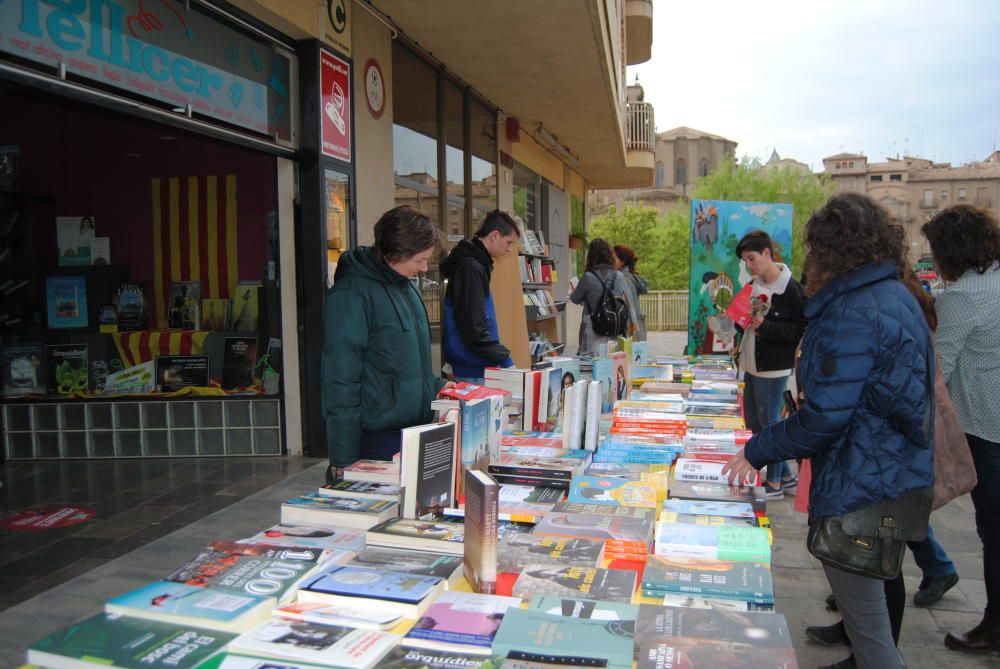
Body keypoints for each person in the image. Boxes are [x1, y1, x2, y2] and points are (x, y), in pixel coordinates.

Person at [724, 193, 935, 669]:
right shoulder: (892, 294)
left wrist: (759, 447)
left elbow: (827, 416)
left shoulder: (853, 310)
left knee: (870, 628)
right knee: (871, 619)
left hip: (863, 478)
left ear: (829, 249)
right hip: (885, 467)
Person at [322, 206, 449, 481]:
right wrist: (343, 459)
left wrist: (441, 387)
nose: (424, 268)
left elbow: (406, 364)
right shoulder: (351, 294)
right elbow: (340, 381)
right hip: (376, 439)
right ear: (395, 252)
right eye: (420, 260)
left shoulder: (407, 287)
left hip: (414, 432)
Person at [922, 204, 1000, 653]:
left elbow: (938, 373)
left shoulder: (963, 297)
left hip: (988, 430)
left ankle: (994, 623)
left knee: (993, 530)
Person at [733, 230, 806, 499]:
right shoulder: (754, 286)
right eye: (746, 262)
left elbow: (800, 331)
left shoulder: (792, 289)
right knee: (753, 421)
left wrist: (767, 327)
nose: (750, 265)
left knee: (771, 423)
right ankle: (786, 475)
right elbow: (744, 322)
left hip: (774, 367)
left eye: (752, 258)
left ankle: (773, 482)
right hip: (751, 365)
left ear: (767, 253)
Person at [440, 210, 519, 382]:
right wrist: (505, 359)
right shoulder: (471, 268)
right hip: (473, 366)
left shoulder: (477, 264)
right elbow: (473, 327)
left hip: (475, 363)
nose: (509, 250)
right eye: (508, 242)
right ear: (494, 235)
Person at [570, 238, 636, 355]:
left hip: (592, 331)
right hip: (614, 328)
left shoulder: (588, 277)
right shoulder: (619, 276)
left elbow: (575, 299)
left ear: (590, 256)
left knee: (590, 365)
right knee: (613, 362)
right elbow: (625, 300)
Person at [613, 244, 648, 341]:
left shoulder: (622, 279)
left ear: (622, 262)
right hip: (637, 326)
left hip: (629, 329)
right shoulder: (631, 277)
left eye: (613, 258)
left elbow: (629, 307)